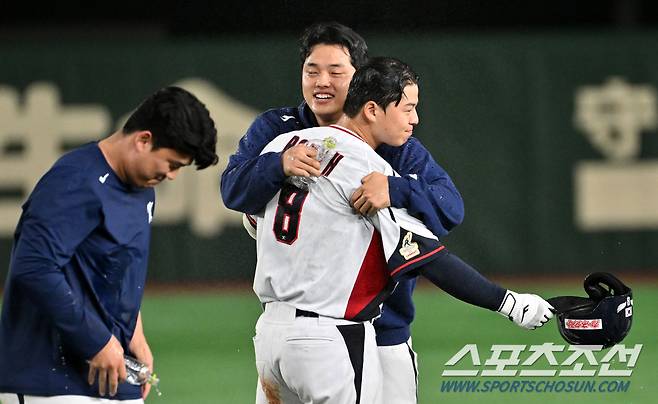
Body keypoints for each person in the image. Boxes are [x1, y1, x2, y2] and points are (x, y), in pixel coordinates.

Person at [248, 56, 553, 403]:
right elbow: (429, 258)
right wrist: (508, 303)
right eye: (407, 108)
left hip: (270, 337)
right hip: (328, 340)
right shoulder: (368, 169)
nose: (415, 118)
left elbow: (251, 211)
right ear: (373, 110)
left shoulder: (286, 146)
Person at [221, 22, 464, 403]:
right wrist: (276, 165)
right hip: (305, 332)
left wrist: (396, 188)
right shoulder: (278, 130)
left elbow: (450, 207)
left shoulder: (390, 140)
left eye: (337, 72)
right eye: (312, 70)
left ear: (361, 80)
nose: (323, 81)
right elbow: (232, 189)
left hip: (384, 331)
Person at [0, 86, 219, 404]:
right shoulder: (75, 181)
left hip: (111, 376)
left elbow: (116, 271)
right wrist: (97, 342)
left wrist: (135, 334)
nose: (171, 175)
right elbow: (33, 267)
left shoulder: (143, 188)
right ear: (143, 140)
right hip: (47, 379)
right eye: (171, 164)